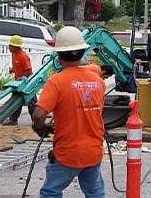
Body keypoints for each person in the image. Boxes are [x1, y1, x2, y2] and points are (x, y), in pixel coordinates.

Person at [32, 26, 106, 198]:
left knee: (51, 192)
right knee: (95, 193)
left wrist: (40, 127)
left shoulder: (56, 82)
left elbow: (38, 115)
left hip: (68, 152)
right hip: (93, 150)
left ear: (58, 56)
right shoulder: (98, 82)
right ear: (82, 52)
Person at [2, 35, 37, 125]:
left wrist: (23, 79)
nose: (9, 47)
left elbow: (28, 70)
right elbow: (17, 65)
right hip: (18, 83)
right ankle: (13, 120)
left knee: (31, 102)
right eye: (9, 45)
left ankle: (36, 120)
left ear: (17, 47)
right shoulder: (14, 54)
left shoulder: (23, 56)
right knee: (16, 101)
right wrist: (12, 69)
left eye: (11, 46)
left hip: (27, 83)